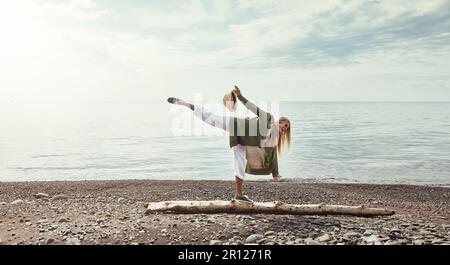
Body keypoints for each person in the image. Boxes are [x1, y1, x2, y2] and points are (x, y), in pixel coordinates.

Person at [167, 85, 291, 203]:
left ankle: (239, 195)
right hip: (236, 125)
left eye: (287, 129)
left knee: (240, 164)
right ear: (280, 121)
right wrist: (240, 96)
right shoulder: (269, 119)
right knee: (210, 118)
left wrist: (275, 175)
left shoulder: (272, 140)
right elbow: (253, 108)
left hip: (240, 141)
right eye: (285, 125)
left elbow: (273, 156)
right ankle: (185, 103)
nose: (285, 129)